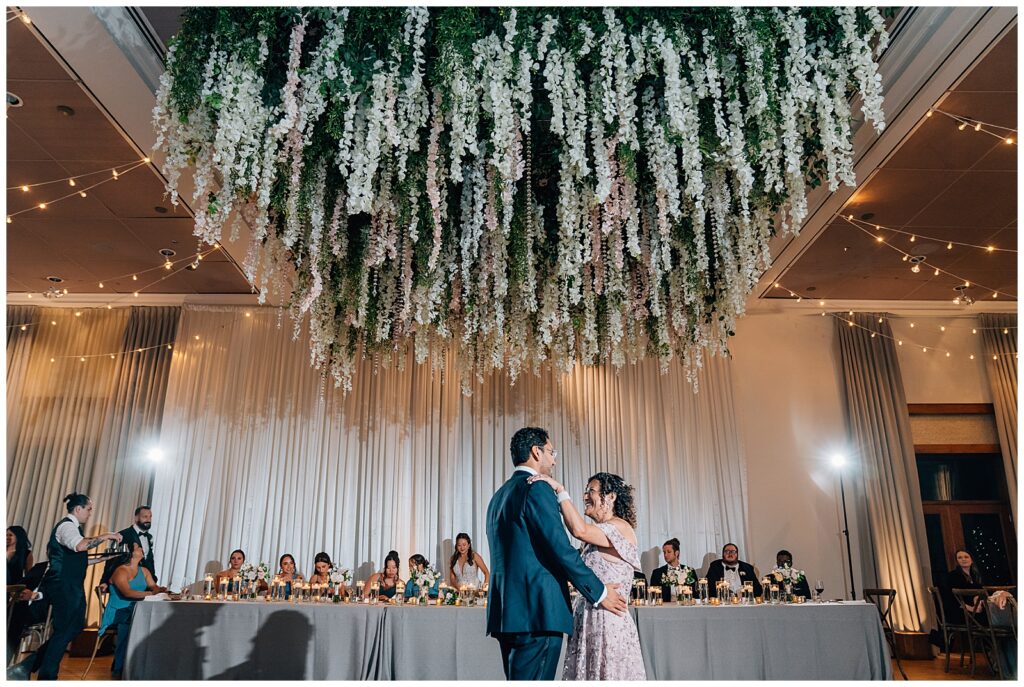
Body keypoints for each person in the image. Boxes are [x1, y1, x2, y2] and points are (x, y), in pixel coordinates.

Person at [485, 427, 626, 681]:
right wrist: (600, 592)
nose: (554, 459)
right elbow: (560, 549)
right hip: (537, 614)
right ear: (536, 452)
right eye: (551, 452)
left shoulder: (499, 496)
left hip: (507, 613)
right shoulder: (537, 488)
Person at [529, 470, 647, 680]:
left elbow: (579, 530)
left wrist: (560, 490)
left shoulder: (620, 527)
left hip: (608, 623)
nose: (585, 496)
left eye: (591, 490)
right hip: (588, 621)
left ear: (610, 496)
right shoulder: (598, 534)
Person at [14, 493, 122, 680]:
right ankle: (45, 675)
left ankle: (27, 666)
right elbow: (80, 547)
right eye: (88, 509)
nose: (90, 513)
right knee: (66, 629)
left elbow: (76, 560)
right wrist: (106, 536)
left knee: (73, 627)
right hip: (63, 586)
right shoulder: (66, 526)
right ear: (78, 509)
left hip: (71, 586)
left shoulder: (74, 529)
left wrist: (104, 558)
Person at [100, 541, 167, 678]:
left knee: (154, 621)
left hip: (135, 610)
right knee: (132, 622)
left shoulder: (144, 571)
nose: (142, 549)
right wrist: (151, 594)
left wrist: (159, 590)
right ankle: (120, 668)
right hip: (119, 611)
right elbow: (128, 593)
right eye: (138, 547)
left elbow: (153, 586)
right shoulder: (120, 571)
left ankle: (143, 665)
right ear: (130, 552)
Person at [99, 505, 157, 593]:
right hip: (127, 582)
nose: (148, 520)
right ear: (136, 518)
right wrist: (104, 581)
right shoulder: (123, 534)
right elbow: (112, 559)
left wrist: (153, 580)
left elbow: (149, 560)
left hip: (145, 583)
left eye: (150, 517)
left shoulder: (149, 537)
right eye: (145, 517)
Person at [940, 549, 984, 625]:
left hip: (975, 611)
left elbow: (981, 593)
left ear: (972, 560)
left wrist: (979, 603)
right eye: (959, 557)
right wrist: (972, 609)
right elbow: (951, 599)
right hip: (960, 612)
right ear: (957, 561)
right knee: (989, 617)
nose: (963, 559)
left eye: (966, 557)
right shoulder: (953, 576)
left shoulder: (975, 576)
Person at [650, 538, 694, 602]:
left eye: (669, 552)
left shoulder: (689, 571)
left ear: (676, 553)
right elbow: (653, 596)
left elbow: (695, 594)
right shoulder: (657, 573)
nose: (665, 555)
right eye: (664, 552)